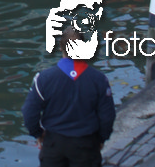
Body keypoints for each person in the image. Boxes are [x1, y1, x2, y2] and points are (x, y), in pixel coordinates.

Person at [22, 17, 115, 167]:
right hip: (86, 145)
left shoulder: (43, 79)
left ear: (61, 47)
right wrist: (102, 138)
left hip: (54, 146)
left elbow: (29, 113)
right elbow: (107, 116)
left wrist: (38, 134)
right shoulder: (99, 80)